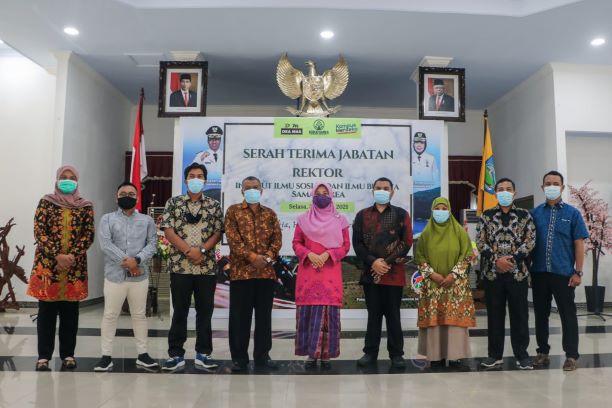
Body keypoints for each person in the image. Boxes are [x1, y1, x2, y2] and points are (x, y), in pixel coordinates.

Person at [27, 165, 95, 371]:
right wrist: (57, 255)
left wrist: (70, 257)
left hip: (74, 268)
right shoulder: (46, 202)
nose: (68, 180)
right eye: (64, 177)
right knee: (46, 314)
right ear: (57, 180)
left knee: (70, 315)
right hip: (49, 267)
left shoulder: (85, 206)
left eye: (72, 177)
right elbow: (39, 231)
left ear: (77, 181)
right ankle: (43, 357)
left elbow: (88, 235)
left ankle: (68, 355)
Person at [159, 163, 223, 371]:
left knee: (205, 312)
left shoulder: (214, 204)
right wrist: (188, 251)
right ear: (186, 179)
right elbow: (168, 230)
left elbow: (218, 232)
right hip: (180, 267)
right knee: (180, 311)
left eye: (200, 176)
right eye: (192, 175)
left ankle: (203, 353)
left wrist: (202, 251)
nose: (196, 179)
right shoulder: (173, 203)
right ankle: (175, 354)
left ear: (205, 180)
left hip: (206, 267)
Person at [94, 182, 159, 372]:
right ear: (116, 198)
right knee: (110, 315)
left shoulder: (147, 220)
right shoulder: (107, 219)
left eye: (131, 193)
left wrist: (137, 260)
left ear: (137, 198)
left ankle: (143, 355)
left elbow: (152, 244)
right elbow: (106, 244)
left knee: (139, 315)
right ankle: (106, 356)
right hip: (114, 276)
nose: (127, 196)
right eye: (123, 193)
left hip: (139, 277)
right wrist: (128, 262)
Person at [530, 170, 588, 372]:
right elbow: (528, 244)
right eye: (548, 184)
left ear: (562, 187)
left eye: (556, 184)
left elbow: (579, 244)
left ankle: (571, 355)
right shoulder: (534, 214)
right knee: (540, 315)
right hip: (539, 273)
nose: (552, 187)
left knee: (567, 315)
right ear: (542, 187)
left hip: (563, 274)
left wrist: (578, 272)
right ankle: (542, 352)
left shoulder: (573, 214)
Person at [353, 177, 413, 369]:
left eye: (386, 188)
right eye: (378, 188)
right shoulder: (362, 215)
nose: (382, 191)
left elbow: (407, 242)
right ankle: (370, 353)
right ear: (373, 191)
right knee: (373, 316)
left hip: (393, 274)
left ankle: (397, 354)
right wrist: (373, 262)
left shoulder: (401, 214)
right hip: (370, 274)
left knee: (394, 316)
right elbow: (357, 244)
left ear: (392, 192)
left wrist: (385, 263)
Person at [476, 177, 536, 370]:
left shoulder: (524, 215)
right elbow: (480, 241)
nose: (504, 192)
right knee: (494, 316)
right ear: (495, 193)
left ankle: (522, 355)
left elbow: (530, 240)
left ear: (514, 193)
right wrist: (496, 260)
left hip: (517, 273)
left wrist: (512, 259)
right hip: (493, 274)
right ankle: (494, 355)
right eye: (500, 189)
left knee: (520, 315)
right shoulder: (486, 216)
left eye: (508, 189)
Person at [224, 176, 282, 372]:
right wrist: (252, 257)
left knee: (264, 319)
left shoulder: (270, 213)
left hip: (265, 275)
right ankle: (239, 358)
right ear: (242, 191)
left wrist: (266, 258)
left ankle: (262, 356)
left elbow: (277, 241)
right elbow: (233, 240)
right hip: (241, 274)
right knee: (240, 319)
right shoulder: (233, 211)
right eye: (248, 188)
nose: (252, 190)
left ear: (261, 190)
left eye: (255, 187)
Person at [292, 183, 350, 369]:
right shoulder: (303, 219)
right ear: (312, 196)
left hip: (329, 273)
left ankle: (326, 355)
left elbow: (345, 246)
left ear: (331, 196)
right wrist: (309, 254)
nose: (322, 196)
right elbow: (296, 243)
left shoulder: (341, 220)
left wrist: (328, 254)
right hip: (309, 274)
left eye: (325, 193)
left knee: (328, 315)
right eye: (318, 193)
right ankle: (311, 354)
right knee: (309, 315)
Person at [415, 197, 476, 368]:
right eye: (437, 208)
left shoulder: (459, 232)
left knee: (454, 322)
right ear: (432, 211)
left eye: (444, 208)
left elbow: (467, 255)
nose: (440, 211)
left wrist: (453, 275)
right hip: (433, 285)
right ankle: (436, 356)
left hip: (455, 285)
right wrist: (432, 274)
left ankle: (456, 356)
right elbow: (419, 257)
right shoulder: (426, 234)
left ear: (449, 211)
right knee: (435, 322)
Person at [192, 126, 223, 201]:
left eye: (217, 139)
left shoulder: (226, 155)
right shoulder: (200, 155)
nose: (214, 142)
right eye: (211, 139)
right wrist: (201, 158)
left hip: (222, 189)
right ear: (208, 141)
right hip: (206, 189)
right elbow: (190, 170)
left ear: (220, 141)